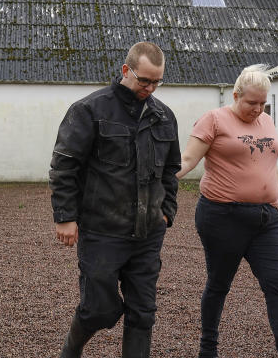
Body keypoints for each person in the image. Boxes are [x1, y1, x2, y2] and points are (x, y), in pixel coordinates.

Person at [49, 41, 182, 358]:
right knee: (98, 309)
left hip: (147, 234)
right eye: (144, 80)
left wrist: (166, 212)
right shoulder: (90, 110)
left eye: (156, 82)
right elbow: (64, 166)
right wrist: (65, 217)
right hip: (102, 231)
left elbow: (171, 170)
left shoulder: (165, 117)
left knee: (143, 312)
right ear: (126, 70)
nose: (150, 88)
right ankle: (71, 350)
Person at [176, 64, 278, 358]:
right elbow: (187, 160)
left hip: (267, 219)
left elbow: (270, 164)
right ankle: (208, 349)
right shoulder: (213, 120)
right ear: (235, 95)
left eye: (262, 103)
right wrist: (157, 178)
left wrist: (277, 201)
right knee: (219, 284)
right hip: (222, 217)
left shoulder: (267, 122)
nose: (257, 109)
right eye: (251, 103)